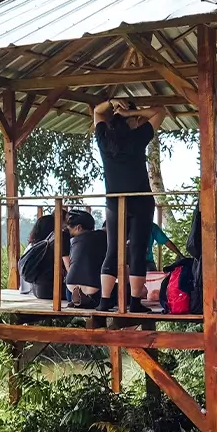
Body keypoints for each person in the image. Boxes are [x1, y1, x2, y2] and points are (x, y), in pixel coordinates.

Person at [93, 97, 166, 311]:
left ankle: (105, 301)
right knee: (137, 250)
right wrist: (128, 114)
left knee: (112, 251)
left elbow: (97, 112)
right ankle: (135, 302)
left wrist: (111, 103)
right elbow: (160, 111)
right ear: (131, 121)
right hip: (141, 201)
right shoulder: (138, 137)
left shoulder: (103, 140)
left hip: (115, 202)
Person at [64, 209, 108, 308]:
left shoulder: (72, 241)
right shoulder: (102, 236)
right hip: (94, 287)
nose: (69, 231)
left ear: (79, 227)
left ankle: (79, 298)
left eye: (70, 229)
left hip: (70, 287)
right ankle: (89, 298)